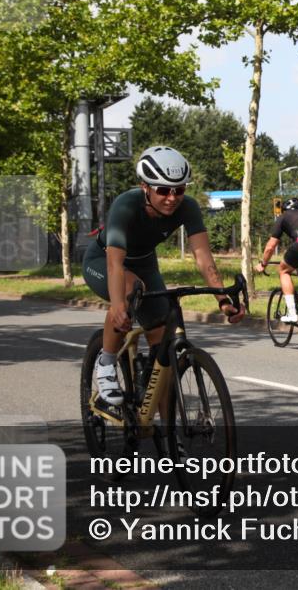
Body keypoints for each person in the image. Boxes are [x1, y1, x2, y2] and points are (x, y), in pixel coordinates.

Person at [82, 146, 246, 406]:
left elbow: (203, 257)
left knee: (163, 352)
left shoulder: (188, 207)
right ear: (145, 187)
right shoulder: (125, 205)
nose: (172, 198)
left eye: (179, 190)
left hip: (145, 265)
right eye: (163, 190)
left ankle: (169, 438)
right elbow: (115, 265)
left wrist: (222, 299)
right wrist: (118, 306)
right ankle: (107, 361)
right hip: (103, 261)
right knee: (130, 288)